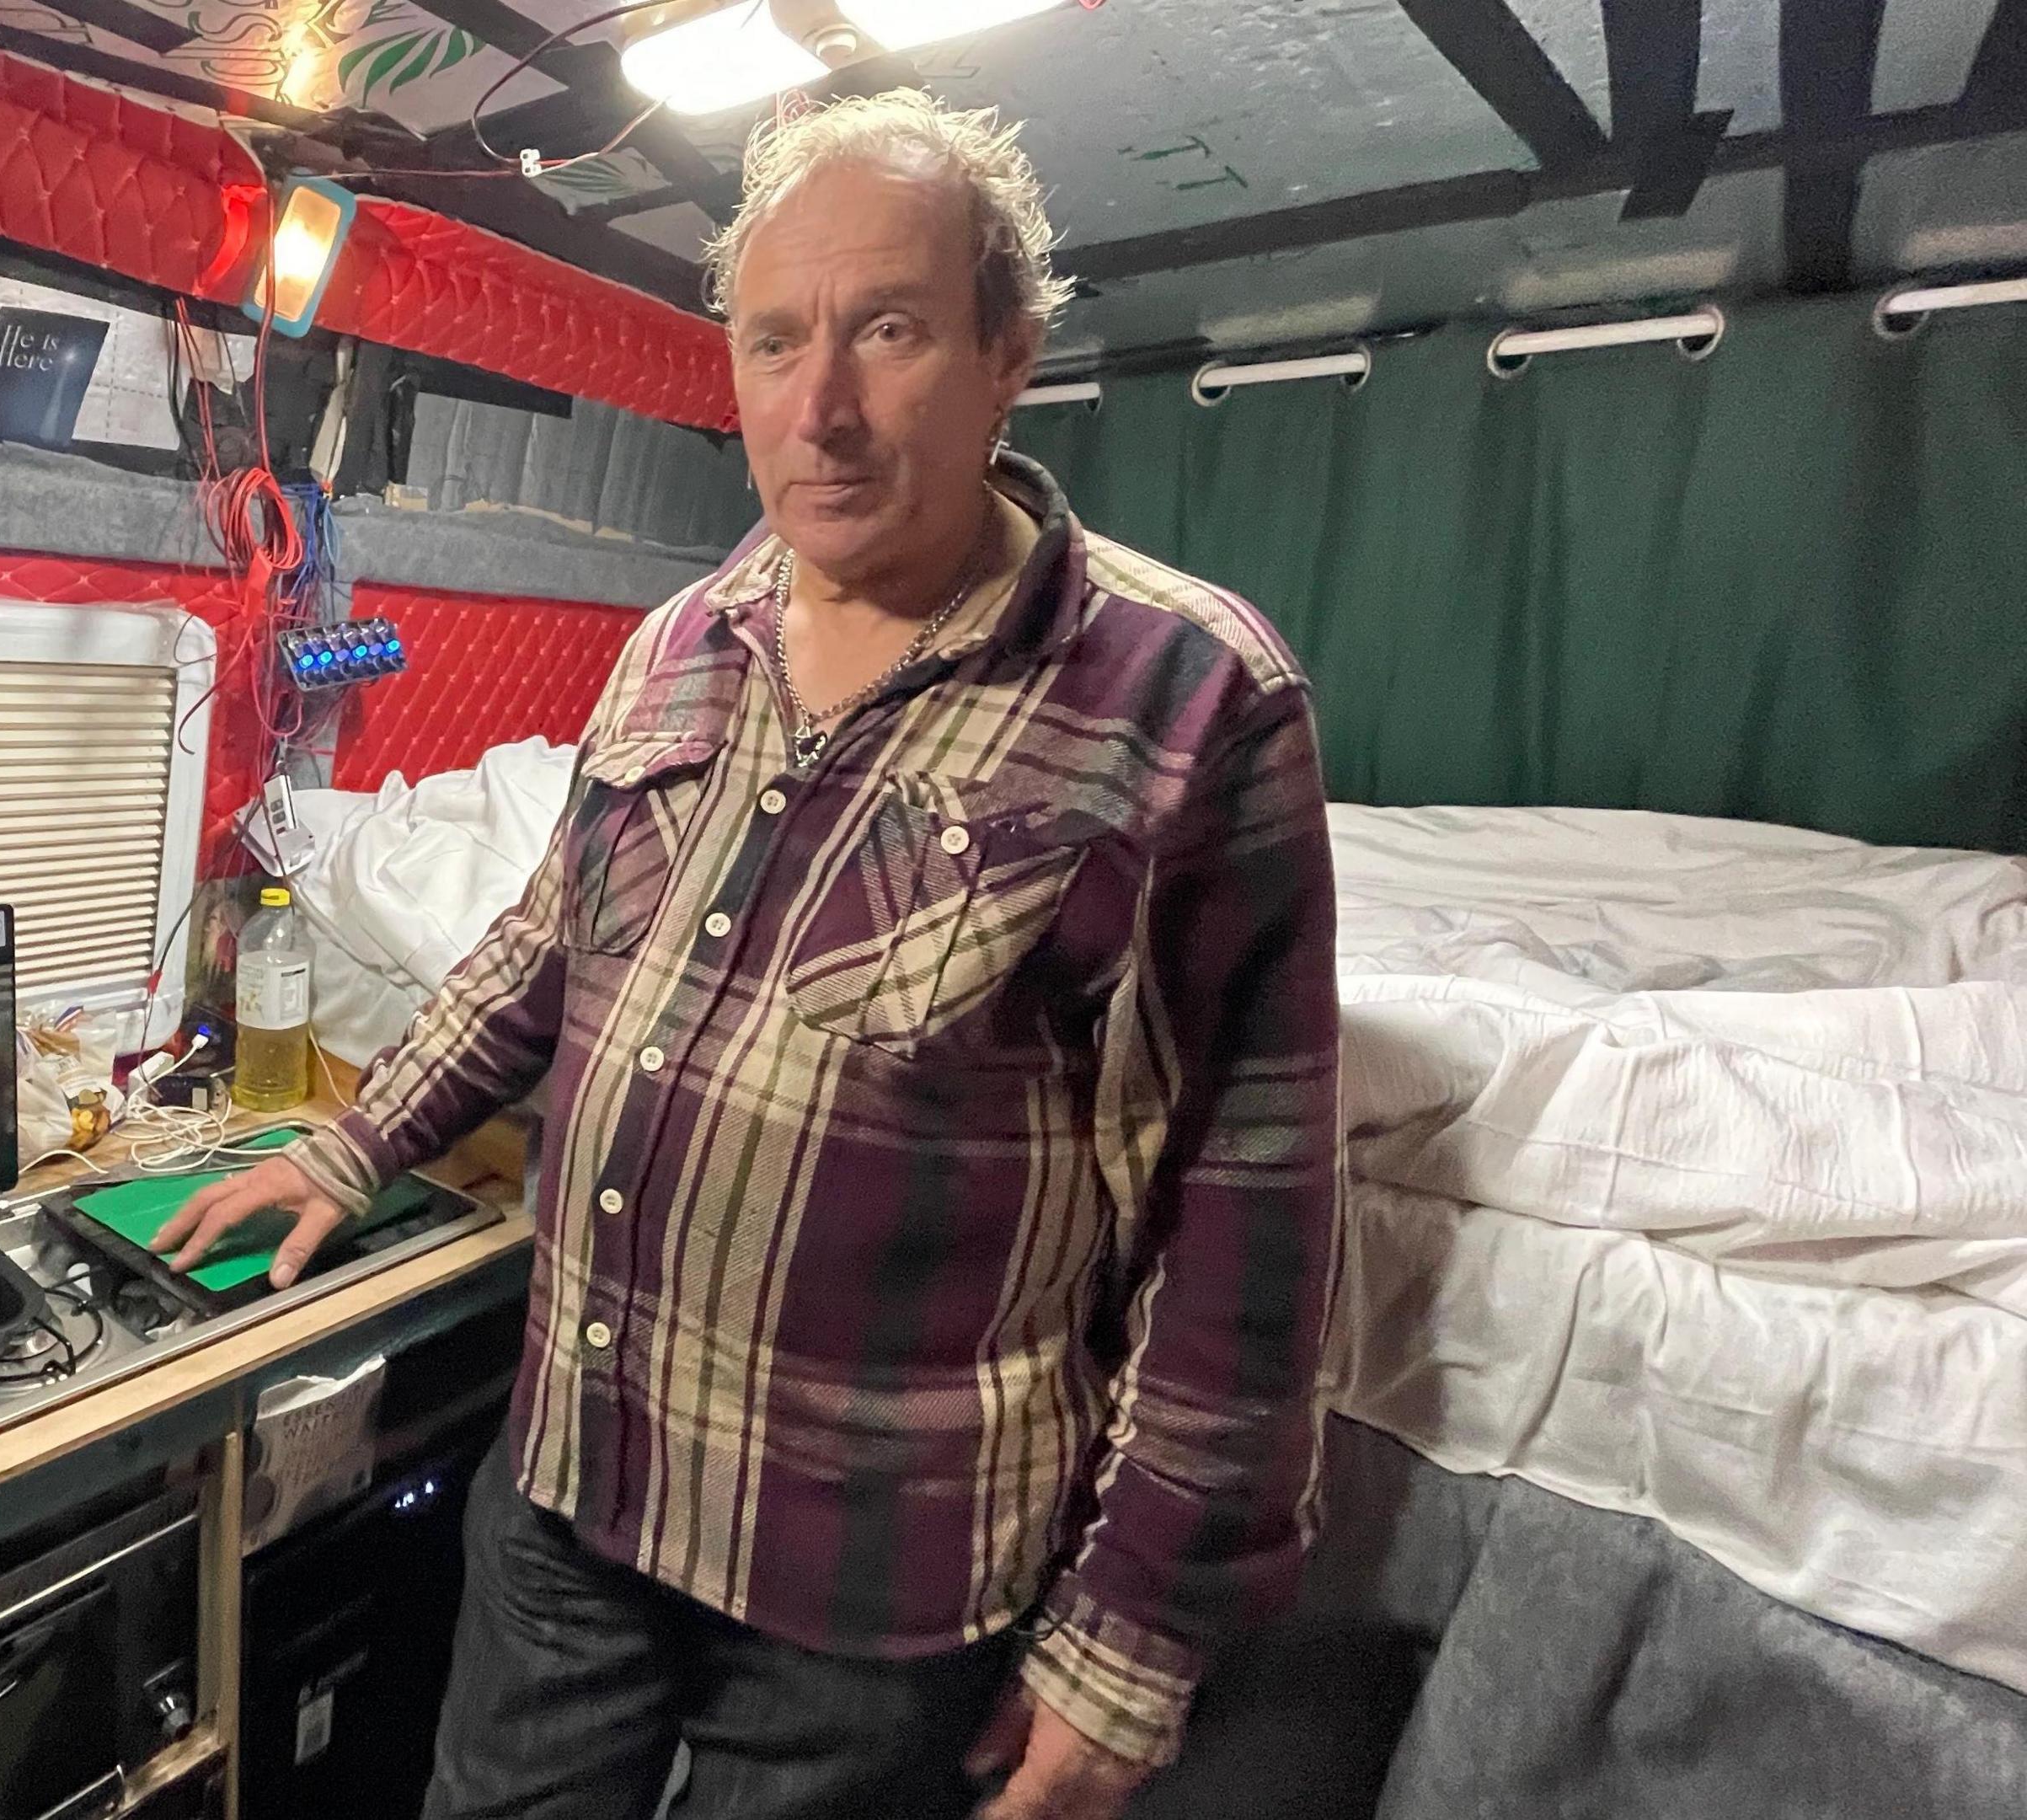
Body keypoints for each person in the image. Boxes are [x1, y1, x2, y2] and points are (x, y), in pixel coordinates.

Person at [156, 88, 1339, 1820]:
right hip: (574, 1490)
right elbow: (545, 947)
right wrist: (347, 1144)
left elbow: (1246, 1218)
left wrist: (1131, 1651)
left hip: (869, 1592)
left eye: (891, 330)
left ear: (1012, 351)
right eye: (774, 340)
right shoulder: (678, 642)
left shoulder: (1191, 699)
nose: (823, 407)